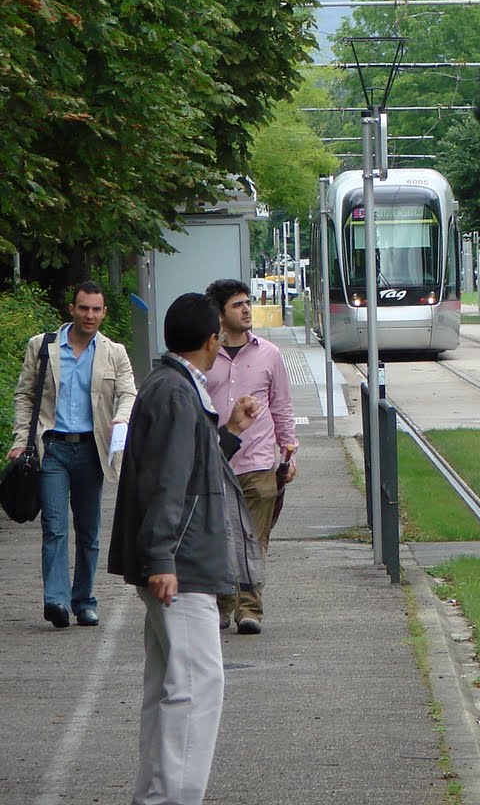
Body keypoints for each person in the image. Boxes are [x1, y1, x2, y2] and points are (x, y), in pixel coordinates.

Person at [109, 292, 260, 805]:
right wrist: (163, 559)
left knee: (170, 688)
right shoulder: (177, 394)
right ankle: (175, 798)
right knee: (196, 689)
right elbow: (170, 484)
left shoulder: (167, 386)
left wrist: (232, 432)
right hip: (184, 564)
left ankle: (155, 795)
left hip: (175, 559)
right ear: (213, 341)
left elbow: (189, 467)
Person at [9, 280, 136, 628]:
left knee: (89, 531)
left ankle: (84, 600)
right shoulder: (43, 346)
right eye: (84, 308)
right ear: (72, 309)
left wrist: (121, 419)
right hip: (51, 448)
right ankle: (56, 601)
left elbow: (128, 393)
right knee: (54, 526)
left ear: (104, 312)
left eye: (96, 309)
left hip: (91, 450)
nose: (90, 315)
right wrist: (21, 440)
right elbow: (24, 397)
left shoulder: (114, 352)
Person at [204, 277, 297, 635]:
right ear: (220, 314)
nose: (246, 310)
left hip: (258, 460)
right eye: (237, 305)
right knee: (220, 536)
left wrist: (289, 452)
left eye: (248, 303)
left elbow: (282, 407)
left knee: (254, 539)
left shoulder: (269, 355)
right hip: (216, 460)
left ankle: (250, 608)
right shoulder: (207, 353)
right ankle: (223, 603)